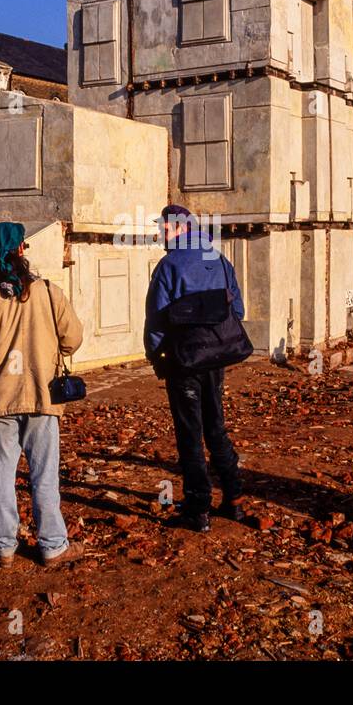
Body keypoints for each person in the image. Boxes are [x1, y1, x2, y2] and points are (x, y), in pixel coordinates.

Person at [0, 222, 84, 568]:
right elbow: (73, 339)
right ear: (22, 249)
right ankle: (53, 546)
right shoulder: (48, 292)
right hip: (43, 396)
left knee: (2, 474)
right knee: (44, 476)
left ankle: (2, 546)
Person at [144, 205, 244, 533]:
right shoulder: (219, 259)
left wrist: (156, 357)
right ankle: (234, 500)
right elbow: (238, 310)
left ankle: (198, 509)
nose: (161, 233)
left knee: (190, 434)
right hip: (216, 359)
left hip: (183, 363)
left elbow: (156, 322)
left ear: (180, 229)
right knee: (217, 427)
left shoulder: (169, 266)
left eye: (165, 228)